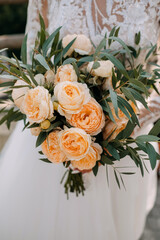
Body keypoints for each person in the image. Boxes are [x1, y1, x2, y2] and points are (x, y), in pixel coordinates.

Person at [0, 1, 159, 239]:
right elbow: (34, 58)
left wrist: (128, 122)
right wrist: (59, 121)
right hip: (52, 145)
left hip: (126, 144)